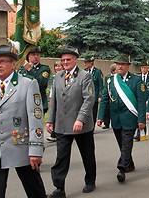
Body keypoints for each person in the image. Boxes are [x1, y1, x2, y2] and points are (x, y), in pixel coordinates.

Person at [0, 44, 46, 198]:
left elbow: (35, 118)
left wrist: (35, 150)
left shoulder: (28, 83)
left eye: (3, 61)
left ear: (13, 64)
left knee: (34, 190)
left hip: (21, 146)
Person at [46, 45, 96, 198]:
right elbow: (54, 100)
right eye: (63, 60)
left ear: (75, 60)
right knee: (61, 157)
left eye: (68, 59)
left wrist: (80, 119)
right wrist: (50, 120)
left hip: (81, 125)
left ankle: (90, 180)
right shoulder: (58, 77)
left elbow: (89, 99)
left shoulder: (85, 76)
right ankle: (59, 188)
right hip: (62, 124)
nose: (65, 62)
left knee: (87, 155)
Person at [97, 54, 146, 182]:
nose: (119, 66)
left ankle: (122, 168)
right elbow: (105, 100)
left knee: (126, 143)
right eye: (118, 64)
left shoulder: (136, 81)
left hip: (130, 118)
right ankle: (129, 163)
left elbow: (141, 102)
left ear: (127, 66)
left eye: (122, 64)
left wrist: (141, 120)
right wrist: (100, 117)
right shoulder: (110, 80)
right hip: (116, 119)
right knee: (122, 144)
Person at [20, 46, 51, 114]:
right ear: (28, 55)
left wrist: (30, 70)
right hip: (24, 102)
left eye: (38, 54)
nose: (36, 56)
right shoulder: (22, 70)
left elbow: (41, 83)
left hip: (38, 101)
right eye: (33, 54)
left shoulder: (44, 69)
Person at [134, 58, 149, 141]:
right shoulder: (137, 78)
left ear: (148, 68)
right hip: (140, 101)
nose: (143, 69)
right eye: (142, 68)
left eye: (145, 67)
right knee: (140, 116)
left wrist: (148, 100)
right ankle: (140, 133)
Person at [47, 61, 64, 142]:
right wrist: (50, 97)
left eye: (59, 66)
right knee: (53, 115)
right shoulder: (54, 77)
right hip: (54, 98)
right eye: (56, 66)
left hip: (61, 98)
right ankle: (53, 133)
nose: (57, 68)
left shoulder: (65, 76)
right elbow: (51, 88)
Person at [84, 56, 104, 126]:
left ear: (91, 63)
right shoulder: (85, 71)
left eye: (86, 62)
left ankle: (92, 127)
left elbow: (100, 85)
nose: (85, 64)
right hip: (86, 95)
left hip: (94, 95)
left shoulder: (98, 72)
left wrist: (100, 96)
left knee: (94, 111)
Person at [101, 63, 117, 129]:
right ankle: (106, 123)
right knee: (107, 111)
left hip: (115, 97)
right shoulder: (108, 77)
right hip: (109, 96)